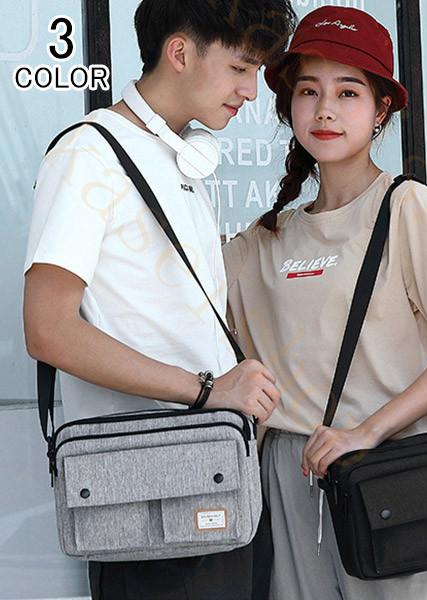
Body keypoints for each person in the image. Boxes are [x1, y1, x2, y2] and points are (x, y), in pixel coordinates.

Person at [23, 1, 296, 598]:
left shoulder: (180, 159)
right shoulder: (89, 155)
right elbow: (48, 329)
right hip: (149, 491)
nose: (251, 92)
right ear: (179, 52)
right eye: (240, 68)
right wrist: (207, 390)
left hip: (217, 474)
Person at [223, 6, 427, 600]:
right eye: (308, 91)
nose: (325, 110)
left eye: (348, 92)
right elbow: (176, 286)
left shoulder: (404, 206)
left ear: (381, 109)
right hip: (292, 475)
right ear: (289, 105)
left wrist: (365, 433)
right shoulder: (267, 238)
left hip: (390, 470)